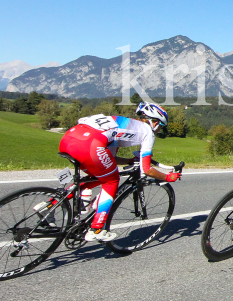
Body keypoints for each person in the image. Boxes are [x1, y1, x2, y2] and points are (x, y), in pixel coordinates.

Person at [55, 103, 181, 242]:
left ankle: (49, 204)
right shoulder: (147, 132)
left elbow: (111, 158)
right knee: (111, 181)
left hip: (69, 139)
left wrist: (128, 161)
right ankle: (96, 229)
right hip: (91, 144)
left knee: (99, 175)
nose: (159, 131)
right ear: (155, 122)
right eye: (161, 127)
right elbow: (146, 170)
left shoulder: (123, 124)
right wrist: (167, 177)